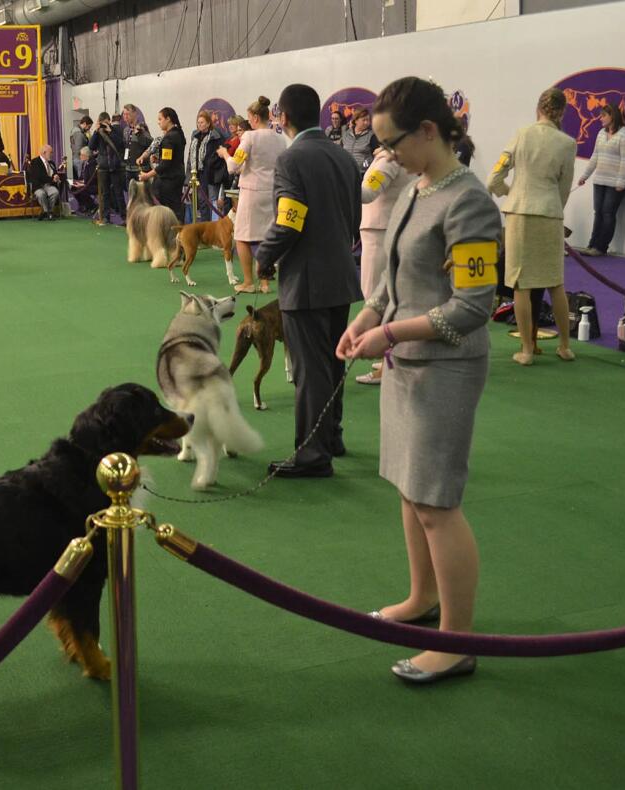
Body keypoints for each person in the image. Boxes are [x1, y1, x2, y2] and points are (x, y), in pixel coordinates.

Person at [338, 76, 502, 685]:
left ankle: (457, 641)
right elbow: (389, 277)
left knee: (437, 503)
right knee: (410, 491)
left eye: (392, 144)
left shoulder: (470, 203)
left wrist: (391, 335)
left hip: (447, 369)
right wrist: (365, 319)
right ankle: (421, 599)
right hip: (406, 363)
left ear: (430, 131)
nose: (386, 156)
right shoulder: (414, 186)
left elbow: (473, 307)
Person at [253, 83, 361, 478]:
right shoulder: (345, 158)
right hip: (342, 277)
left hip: (307, 281)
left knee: (309, 370)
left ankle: (313, 455)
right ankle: (331, 437)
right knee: (332, 364)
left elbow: (289, 221)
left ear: (283, 116)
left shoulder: (292, 160)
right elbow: (354, 222)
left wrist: (265, 258)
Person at [487, 87, 578, 366]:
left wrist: (509, 191)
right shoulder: (567, 143)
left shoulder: (521, 134)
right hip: (550, 213)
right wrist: (552, 208)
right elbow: (564, 188)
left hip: (519, 213)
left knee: (520, 283)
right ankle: (564, 346)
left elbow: (493, 179)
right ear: (562, 112)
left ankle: (526, 350)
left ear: (538, 108)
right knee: (556, 282)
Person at [354, 146, 416, 385]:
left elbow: (367, 192)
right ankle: (387, 359)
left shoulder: (387, 160)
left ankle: (384, 364)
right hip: (384, 229)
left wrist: (341, 179)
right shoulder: (396, 157)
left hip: (380, 232)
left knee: (376, 299)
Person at [218, 96, 287, 294]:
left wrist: (225, 154)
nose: (248, 122)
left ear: (256, 117)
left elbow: (233, 166)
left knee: (242, 237)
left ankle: (249, 282)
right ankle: (265, 283)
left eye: (249, 118)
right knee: (267, 237)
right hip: (273, 192)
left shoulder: (249, 137)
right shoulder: (279, 138)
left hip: (252, 193)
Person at [577, 103, 625, 256]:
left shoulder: (624, 134)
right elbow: (595, 156)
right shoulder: (601, 133)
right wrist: (584, 176)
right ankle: (592, 245)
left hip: (615, 182)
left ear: (612, 116)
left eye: (603, 115)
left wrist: (621, 181)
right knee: (598, 213)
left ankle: (601, 248)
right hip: (599, 180)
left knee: (608, 213)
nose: (600, 118)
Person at [139, 107, 186, 222]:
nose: (158, 122)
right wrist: (159, 159)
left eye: (160, 119)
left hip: (169, 181)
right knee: (175, 210)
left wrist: (147, 175)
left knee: (168, 212)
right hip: (176, 177)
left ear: (168, 119)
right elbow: (170, 159)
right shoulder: (179, 133)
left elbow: (165, 164)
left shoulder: (169, 138)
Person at [188, 110, 225, 222]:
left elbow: (219, 156)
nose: (199, 125)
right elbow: (191, 155)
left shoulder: (215, 137)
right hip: (197, 173)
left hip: (210, 175)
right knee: (200, 202)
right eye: (198, 122)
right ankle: (201, 226)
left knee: (210, 202)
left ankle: (211, 228)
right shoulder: (195, 136)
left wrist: (210, 165)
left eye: (202, 122)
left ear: (208, 123)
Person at [88, 112, 122, 224]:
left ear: (109, 121)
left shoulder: (116, 130)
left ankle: (124, 217)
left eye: (105, 122)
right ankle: (105, 217)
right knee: (104, 193)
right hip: (103, 166)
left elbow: (120, 143)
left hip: (115, 165)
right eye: (101, 123)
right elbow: (91, 146)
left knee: (118, 192)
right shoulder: (98, 132)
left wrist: (110, 131)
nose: (104, 125)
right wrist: (96, 132)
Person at [121, 104, 153, 211]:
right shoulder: (125, 130)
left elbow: (150, 143)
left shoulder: (142, 128)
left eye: (127, 114)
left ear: (135, 114)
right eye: (124, 114)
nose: (125, 116)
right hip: (128, 169)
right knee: (131, 197)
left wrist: (139, 134)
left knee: (144, 197)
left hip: (140, 169)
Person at [27, 144, 62, 220]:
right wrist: (52, 179)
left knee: (55, 192)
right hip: (38, 186)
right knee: (41, 194)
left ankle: (49, 211)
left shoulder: (51, 163)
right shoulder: (35, 162)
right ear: (44, 152)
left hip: (48, 185)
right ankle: (47, 212)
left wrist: (56, 176)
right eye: (51, 152)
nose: (52, 154)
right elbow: (40, 176)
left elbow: (55, 173)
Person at [342, 108, 375, 173]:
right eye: (364, 120)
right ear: (356, 120)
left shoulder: (372, 135)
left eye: (368, 120)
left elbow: (377, 153)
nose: (366, 123)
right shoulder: (346, 134)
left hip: (363, 173)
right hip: (346, 172)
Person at [71, 146, 98, 215]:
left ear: (86, 155)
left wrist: (83, 184)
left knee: (83, 190)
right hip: (86, 183)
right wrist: (78, 182)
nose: (80, 156)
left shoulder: (92, 163)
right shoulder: (84, 162)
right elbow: (82, 177)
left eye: (81, 155)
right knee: (73, 188)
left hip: (93, 185)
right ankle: (83, 205)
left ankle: (93, 206)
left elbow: (92, 178)